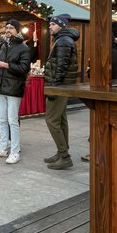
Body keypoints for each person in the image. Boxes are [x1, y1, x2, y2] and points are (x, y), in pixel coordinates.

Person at [0, 19, 31, 163]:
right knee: (1, 120)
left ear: (17, 30)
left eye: (11, 28)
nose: (8, 30)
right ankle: (3, 147)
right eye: (6, 28)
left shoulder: (23, 48)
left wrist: (4, 65)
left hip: (14, 87)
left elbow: (24, 69)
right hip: (0, 86)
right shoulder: (2, 45)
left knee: (12, 121)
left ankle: (15, 151)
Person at [43, 14, 79, 170]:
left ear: (61, 25)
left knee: (51, 120)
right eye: (50, 24)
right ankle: (61, 152)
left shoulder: (63, 40)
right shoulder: (63, 39)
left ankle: (64, 156)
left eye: (53, 24)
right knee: (61, 119)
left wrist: (53, 87)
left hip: (59, 86)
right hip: (62, 86)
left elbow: (61, 66)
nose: (50, 26)